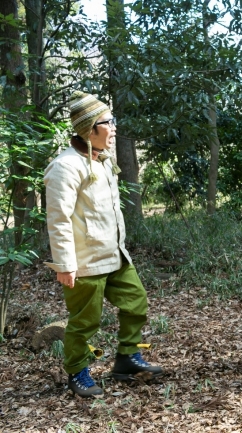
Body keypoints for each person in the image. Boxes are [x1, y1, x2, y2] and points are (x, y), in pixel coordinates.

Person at [44, 91, 162, 398]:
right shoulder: (65, 166)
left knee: (136, 302)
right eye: (108, 122)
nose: (114, 128)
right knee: (85, 322)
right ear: (89, 129)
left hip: (114, 255)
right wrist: (65, 264)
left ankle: (126, 359)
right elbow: (58, 220)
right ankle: (78, 372)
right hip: (85, 262)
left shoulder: (103, 160)